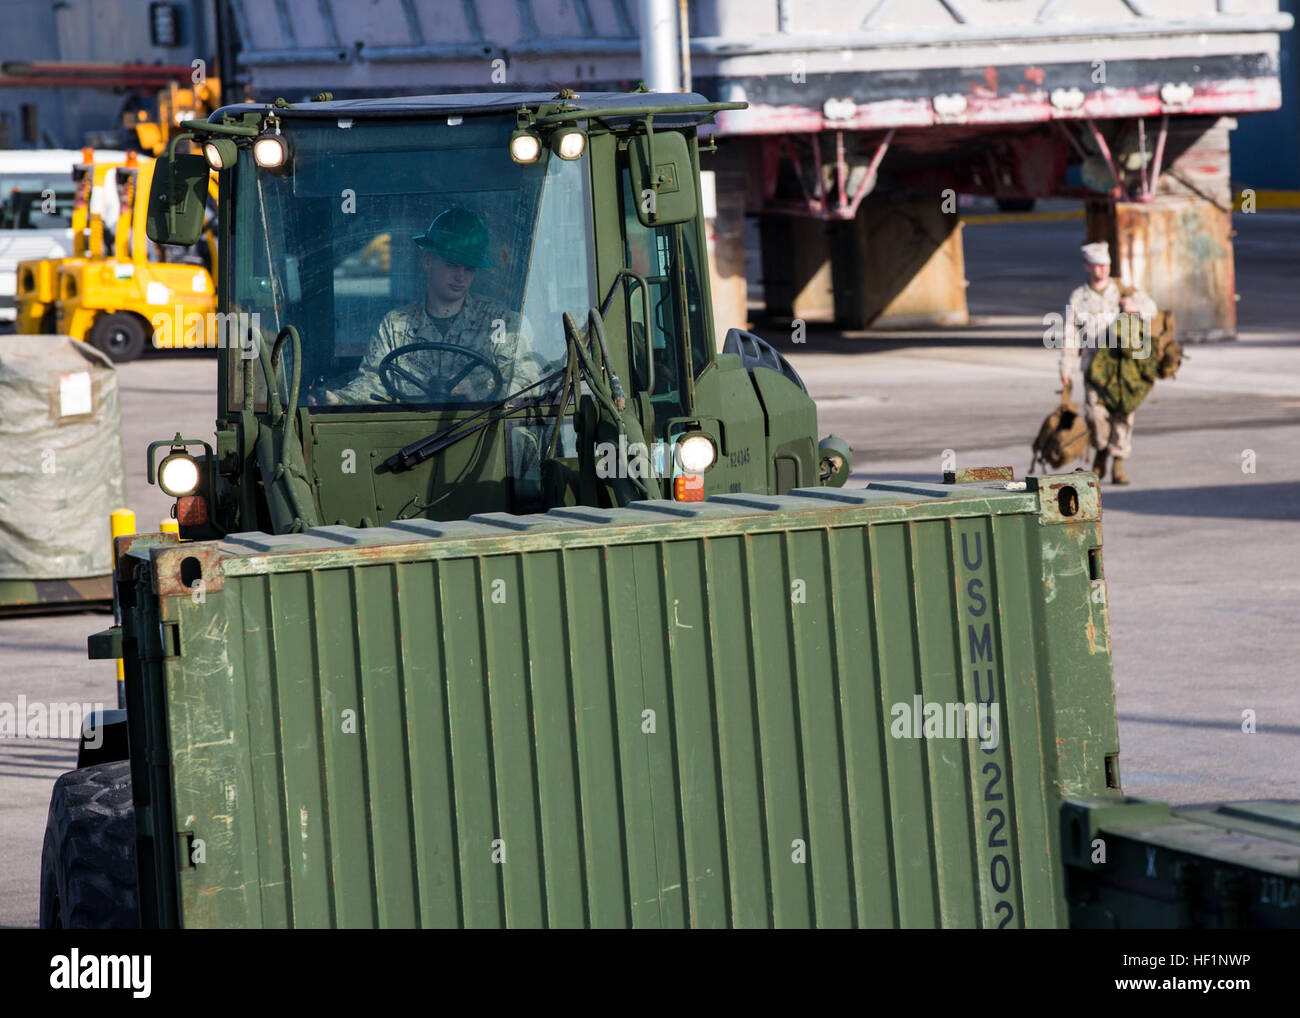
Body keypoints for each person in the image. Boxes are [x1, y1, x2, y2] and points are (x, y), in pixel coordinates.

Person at [327, 207, 542, 405]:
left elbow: (526, 384)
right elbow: (374, 383)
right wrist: (339, 400)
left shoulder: (499, 321)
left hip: (482, 435)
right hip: (409, 438)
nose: (461, 276)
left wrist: (478, 398)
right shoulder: (395, 325)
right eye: (451, 265)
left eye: (469, 269)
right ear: (428, 260)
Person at [1058, 242, 1153, 486]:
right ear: (1087, 266)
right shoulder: (1079, 296)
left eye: (1105, 265)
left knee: (1123, 412)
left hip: (1123, 365)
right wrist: (1065, 367)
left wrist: (1135, 308)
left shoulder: (1123, 291)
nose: (1102, 270)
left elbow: (1152, 310)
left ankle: (1118, 463)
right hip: (1093, 365)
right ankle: (1102, 450)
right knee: (1094, 413)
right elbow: (1070, 332)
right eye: (1097, 265)